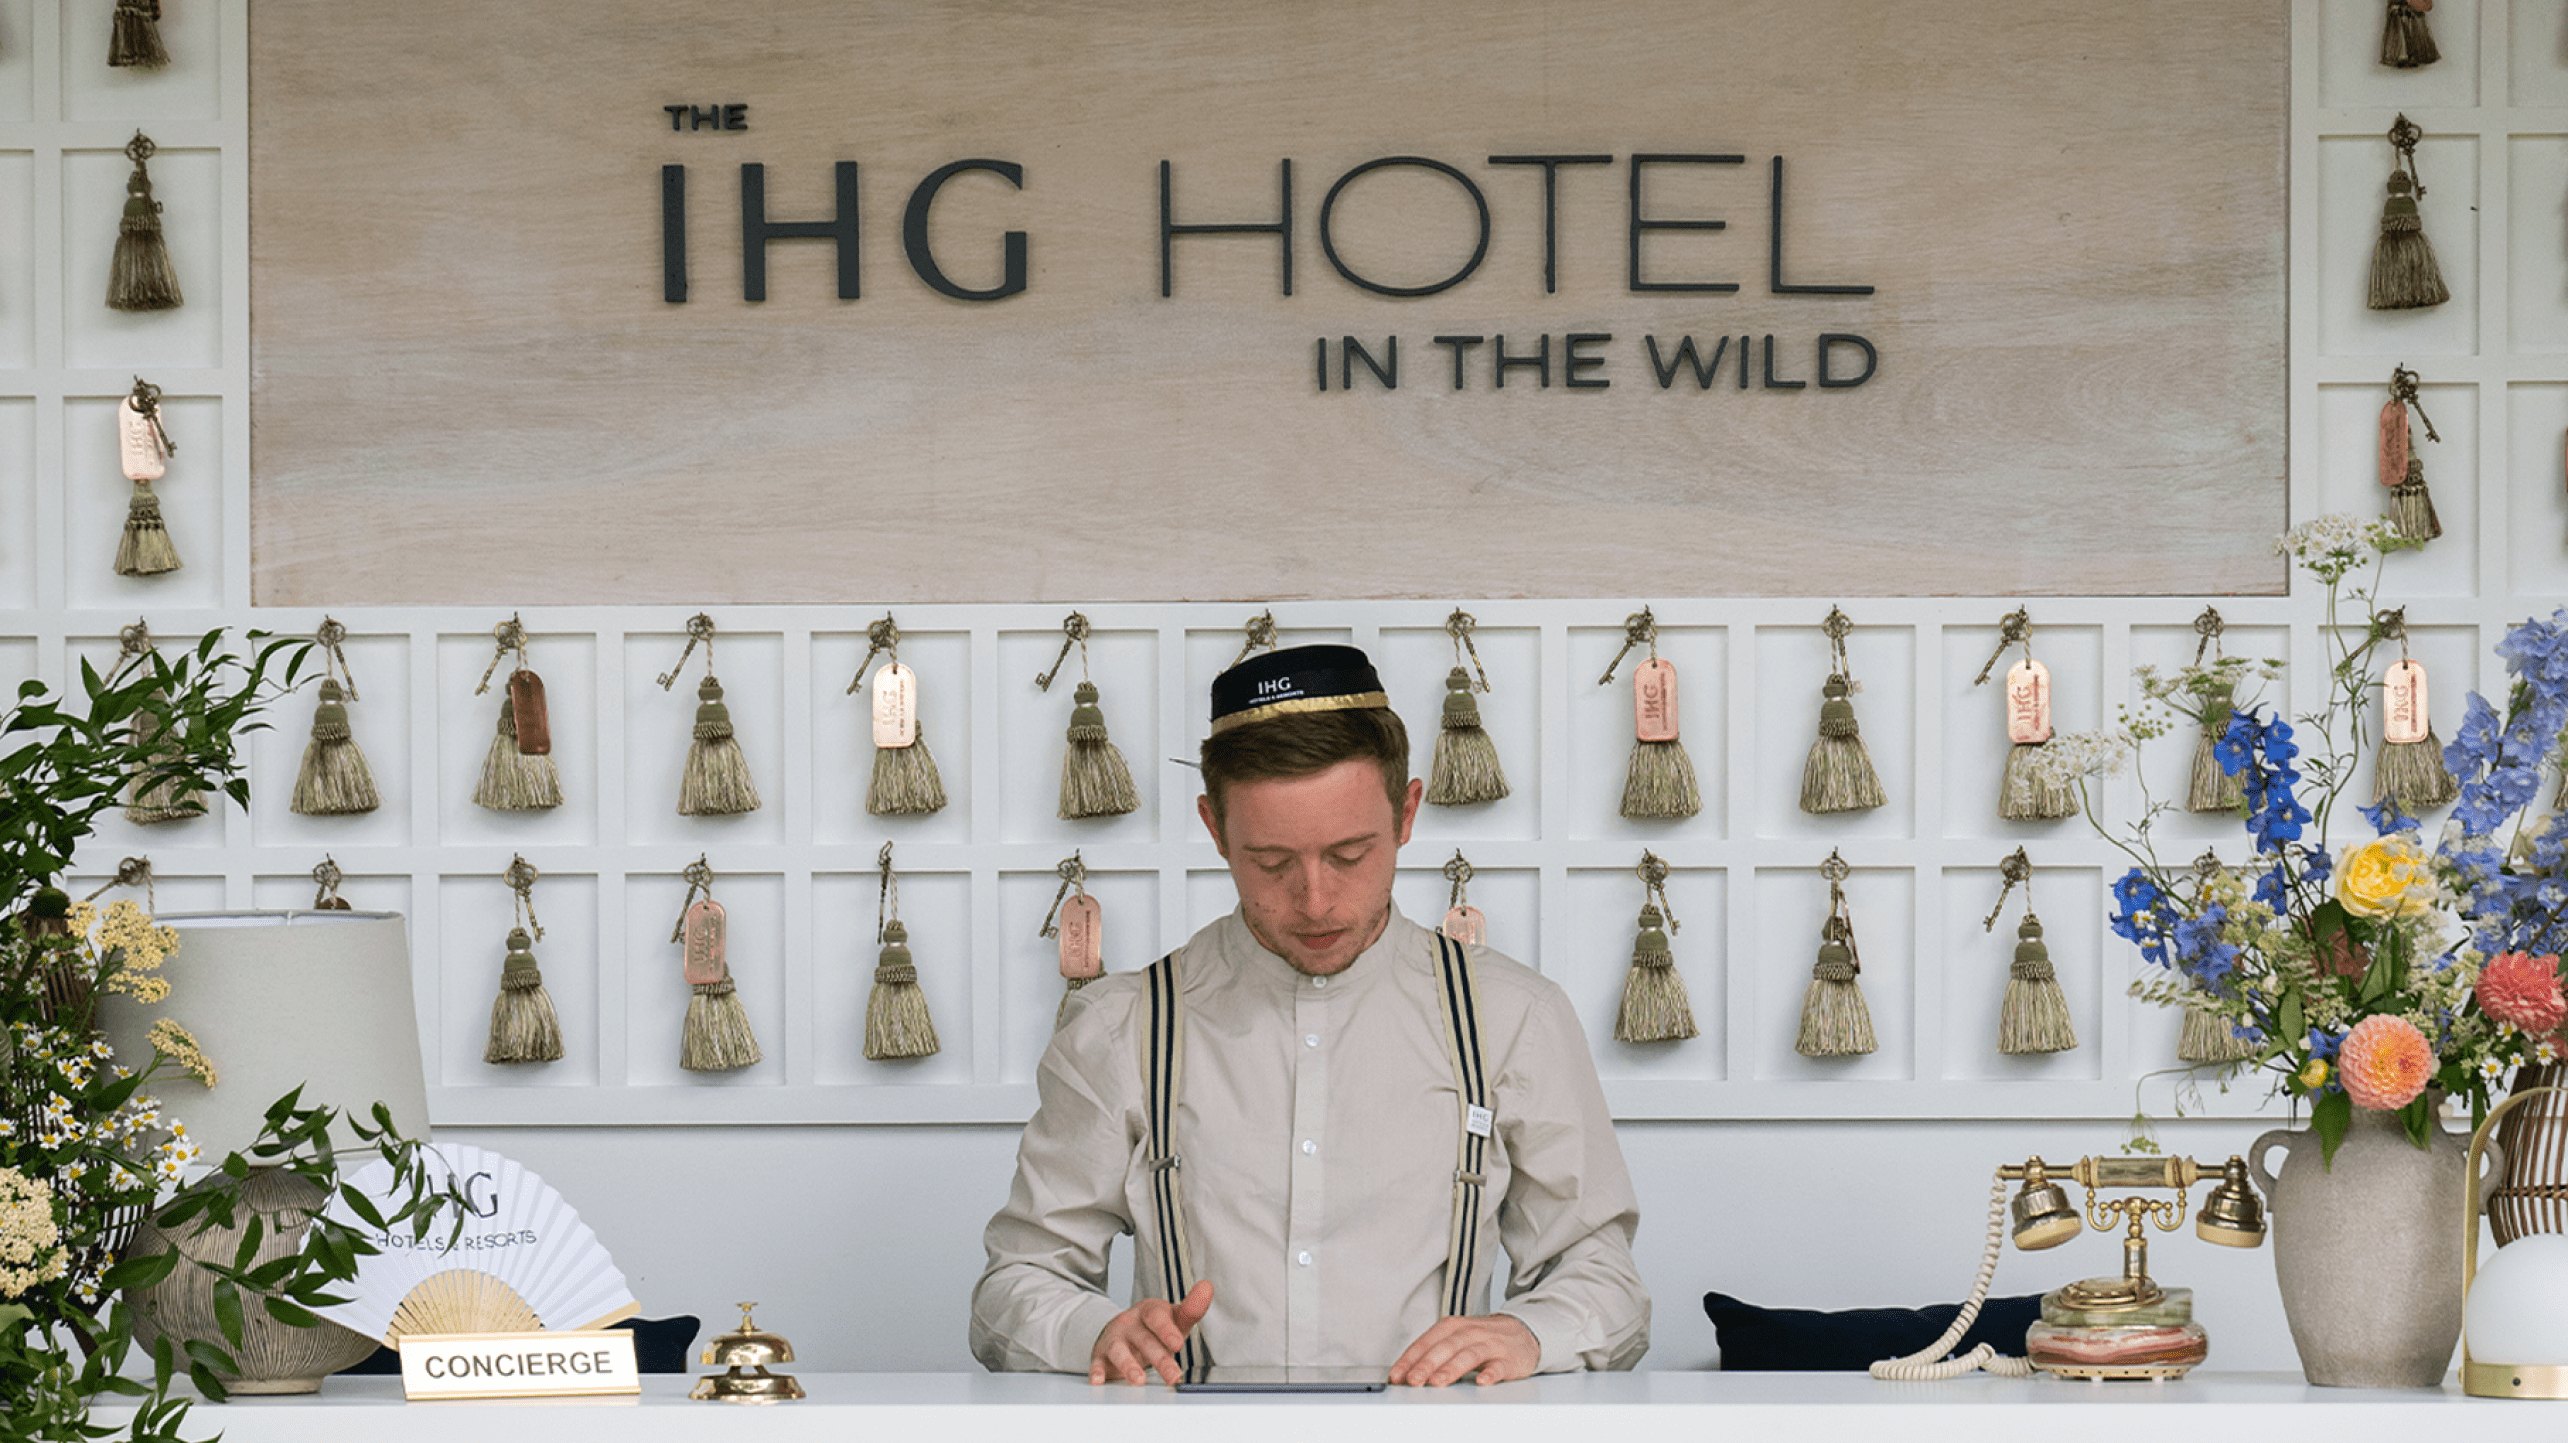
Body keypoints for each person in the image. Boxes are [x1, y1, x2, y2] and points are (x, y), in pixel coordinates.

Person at [970, 643, 1649, 1387]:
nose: (1316, 900)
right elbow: (1013, 1286)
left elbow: (1604, 1276)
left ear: (1407, 813)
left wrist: (1531, 1331)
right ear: (1214, 828)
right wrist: (1095, 1330)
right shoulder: (1117, 1027)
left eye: (1351, 853)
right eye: (1271, 862)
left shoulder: (1517, 1018)